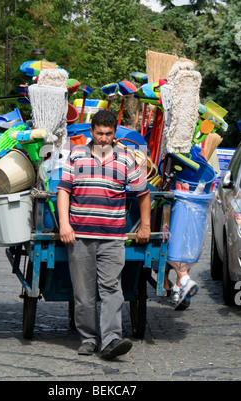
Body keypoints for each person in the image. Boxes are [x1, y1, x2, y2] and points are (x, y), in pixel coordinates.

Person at [57, 110, 151, 360]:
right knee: (84, 293)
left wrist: (145, 225)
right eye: (99, 133)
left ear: (114, 133)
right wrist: (64, 225)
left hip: (113, 238)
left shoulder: (125, 158)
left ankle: (111, 340)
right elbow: (64, 191)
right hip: (79, 237)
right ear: (91, 131)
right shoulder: (76, 156)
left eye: (109, 134)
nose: (103, 138)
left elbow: (143, 193)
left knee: (111, 289)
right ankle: (88, 339)